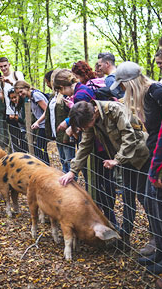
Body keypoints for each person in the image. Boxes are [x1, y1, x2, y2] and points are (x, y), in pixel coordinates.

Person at [58, 100, 150, 247]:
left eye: (86, 125)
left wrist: (116, 160)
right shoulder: (90, 121)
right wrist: (72, 171)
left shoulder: (114, 110)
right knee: (128, 196)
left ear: (93, 114)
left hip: (141, 156)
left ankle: (156, 237)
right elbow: (85, 145)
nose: (86, 128)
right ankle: (124, 237)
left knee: (145, 196)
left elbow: (129, 136)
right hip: (125, 160)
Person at [110, 60, 162, 257]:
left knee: (153, 200)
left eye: (123, 85)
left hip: (161, 156)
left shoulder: (156, 92)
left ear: (130, 82)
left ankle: (161, 243)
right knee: (146, 197)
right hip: (154, 153)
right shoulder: (142, 97)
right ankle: (159, 242)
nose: (122, 90)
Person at [33, 70, 75, 172]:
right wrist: (38, 122)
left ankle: (71, 184)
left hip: (66, 135)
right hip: (57, 133)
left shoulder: (66, 95)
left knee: (69, 161)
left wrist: (67, 134)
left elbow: (71, 114)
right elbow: (48, 112)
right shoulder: (53, 96)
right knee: (63, 161)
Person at [14, 80, 49, 164]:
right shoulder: (31, 98)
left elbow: (47, 110)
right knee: (39, 149)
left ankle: (45, 166)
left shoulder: (36, 95)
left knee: (39, 149)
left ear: (26, 88)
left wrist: (38, 122)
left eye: (21, 91)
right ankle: (44, 165)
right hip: (41, 125)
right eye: (18, 93)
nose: (20, 94)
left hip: (44, 125)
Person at [5, 89, 27, 153]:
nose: (13, 100)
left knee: (24, 147)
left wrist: (17, 118)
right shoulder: (13, 105)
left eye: (15, 97)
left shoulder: (24, 104)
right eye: (11, 98)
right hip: (19, 128)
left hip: (26, 129)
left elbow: (26, 120)